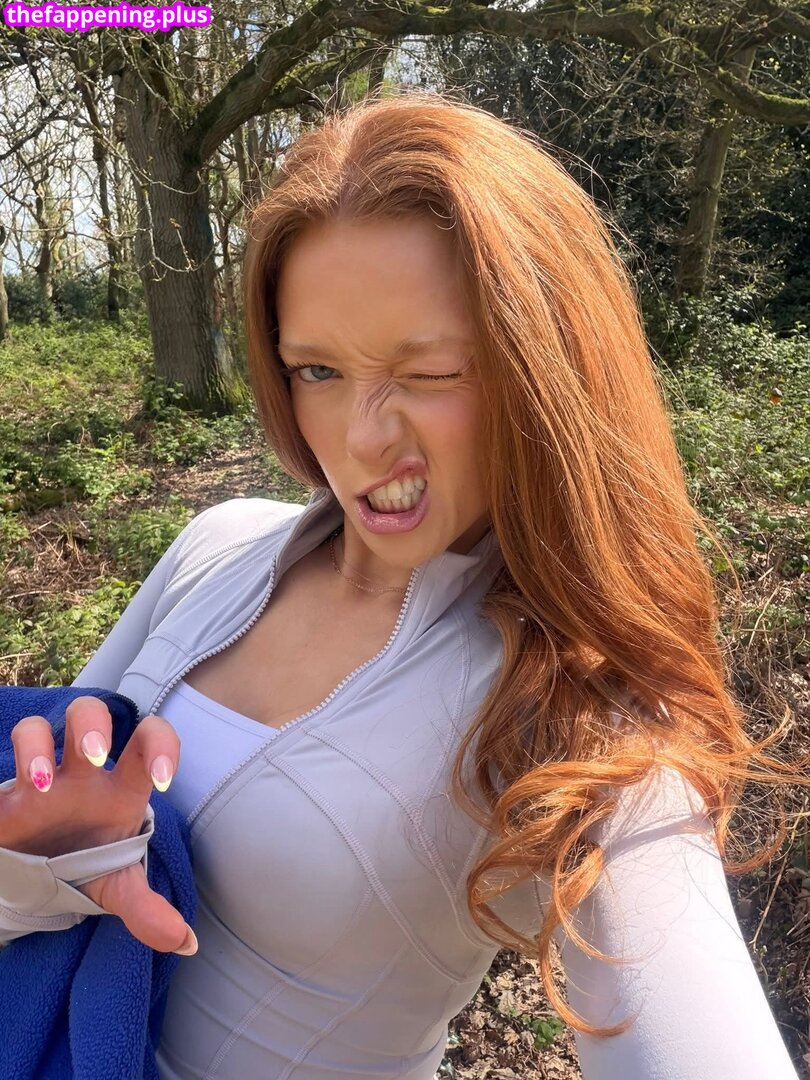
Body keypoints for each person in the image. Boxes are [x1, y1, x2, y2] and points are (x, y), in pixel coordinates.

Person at [0, 88, 805, 1080]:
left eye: (430, 373)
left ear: (544, 374)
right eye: (317, 371)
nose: (363, 439)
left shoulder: (575, 706)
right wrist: (33, 864)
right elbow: (34, 823)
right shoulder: (217, 546)